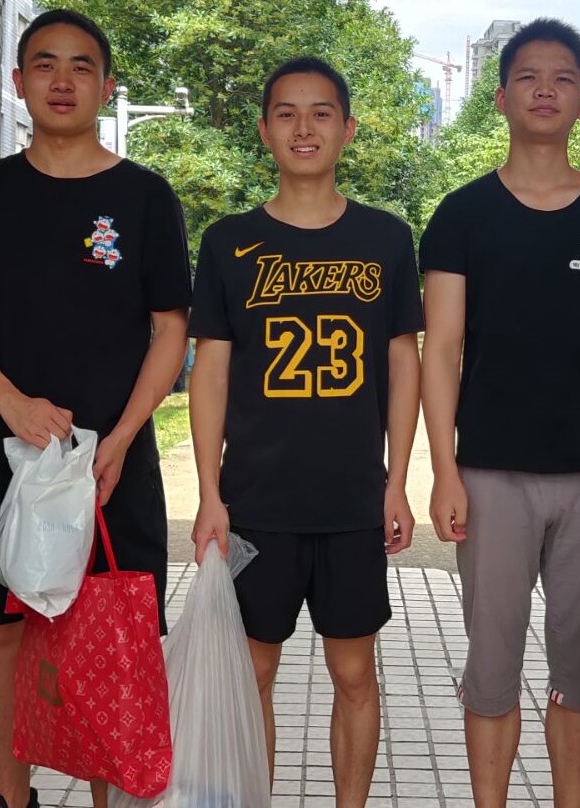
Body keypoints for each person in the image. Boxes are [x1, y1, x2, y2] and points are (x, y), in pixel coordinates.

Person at [0, 9, 191, 808]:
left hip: (112, 464)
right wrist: (10, 403)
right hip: (3, 454)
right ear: (19, 83)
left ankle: (106, 797)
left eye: (82, 66)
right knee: (4, 633)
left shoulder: (145, 197)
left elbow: (171, 330)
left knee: (109, 639)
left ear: (106, 86)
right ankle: (13, 801)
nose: (62, 80)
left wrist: (122, 436)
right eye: (45, 64)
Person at [419, 18, 580, 808]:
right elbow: (441, 350)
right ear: (500, 98)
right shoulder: (461, 215)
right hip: (491, 476)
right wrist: (443, 470)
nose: (546, 90)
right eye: (528, 76)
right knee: (492, 665)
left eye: (563, 77)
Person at [188, 56, 423, 806]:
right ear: (264, 131)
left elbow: (404, 364)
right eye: (286, 113)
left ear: (347, 129)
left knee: (354, 674)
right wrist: (208, 494)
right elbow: (210, 373)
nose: (304, 127)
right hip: (257, 501)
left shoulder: (386, 238)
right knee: (253, 672)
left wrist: (397, 482)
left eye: (321, 112)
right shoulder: (228, 242)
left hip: (352, 500)